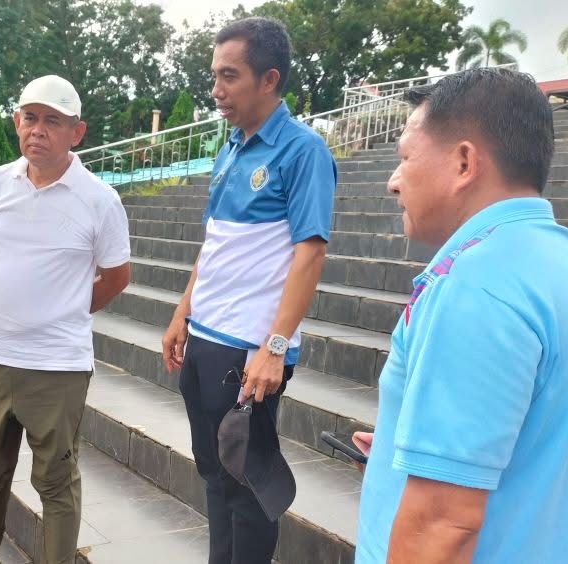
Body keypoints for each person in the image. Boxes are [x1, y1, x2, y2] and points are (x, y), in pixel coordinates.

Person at [352, 68, 568, 563]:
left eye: (406, 158)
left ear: (464, 163)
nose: (394, 182)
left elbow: (442, 525)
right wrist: (406, 448)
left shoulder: (476, 284)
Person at [159, 17, 336, 563]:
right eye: (214, 75)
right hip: (205, 340)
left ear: (269, 78)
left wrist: (275, 347)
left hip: (247, 351)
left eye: (229, 76)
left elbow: (310, 253)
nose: (216, 89)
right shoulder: (232, 147)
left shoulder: (302, 151)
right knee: (214, 475)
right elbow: (214, 243)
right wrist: (182, 313)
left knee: (247, 487)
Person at [0, 75, 131, 564]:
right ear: (17, 122)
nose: (38, 130)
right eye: (30, 118)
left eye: (52, 121)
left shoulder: (100, 199)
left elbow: (117, 276)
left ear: (76, 132)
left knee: (56, 482)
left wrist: (64, 309)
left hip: (57, 365)